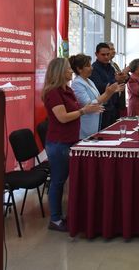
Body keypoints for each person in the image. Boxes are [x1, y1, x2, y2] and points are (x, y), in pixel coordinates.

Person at [42, 58, 103, 232]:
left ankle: (65, 215)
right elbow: (62, 117)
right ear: (60, 72)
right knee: (58, 180)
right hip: (58, 143)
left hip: (70, 139)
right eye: (68, 69)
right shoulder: (53, 93)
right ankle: (55, 219)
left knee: (65, 179)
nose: (71, 71)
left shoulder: (67, 90)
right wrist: (84, 111)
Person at [69, 54, 124, 139]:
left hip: (95, 124)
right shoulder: (77, 83)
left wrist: (110, 93)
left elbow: (100, 101)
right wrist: (107, 93)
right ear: (79, 69)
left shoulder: (89, 81)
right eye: (88, 66)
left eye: (91, 65)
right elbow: (90, 105)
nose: (91, 68)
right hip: (85, 126)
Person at [90, 43, 121, 129]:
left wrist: (122, 78)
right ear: (96, 54)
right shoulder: (94, 68)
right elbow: (100, 87)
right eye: (103, 55)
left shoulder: (110, 67)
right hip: (102, 107)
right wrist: (116, 80)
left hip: (113, 105)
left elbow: (115, 84)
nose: (106, 57)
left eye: (108, 54)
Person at [107, 41, 128, 116]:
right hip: (110, 99)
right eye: (111, 49)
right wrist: (117, 79)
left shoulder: (114, 64)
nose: (114, 51)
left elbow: (121, 80)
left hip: (118, 99)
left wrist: (125, 75)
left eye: (114, 49)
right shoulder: (106, 66)